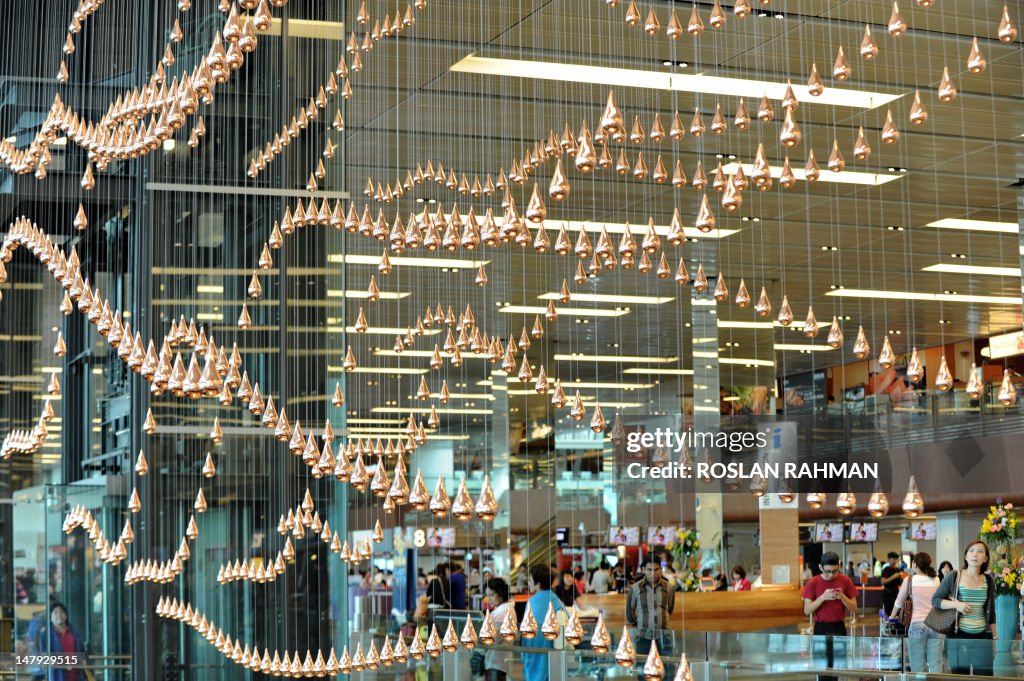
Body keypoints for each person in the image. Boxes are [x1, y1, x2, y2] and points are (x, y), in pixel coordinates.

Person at [932, 540, 996, 676]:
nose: (975, 555)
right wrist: (956, 605)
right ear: (966, 556)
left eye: (980, 552)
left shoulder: (989, 580)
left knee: (984, 676)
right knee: (960, 675)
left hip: (983, 636)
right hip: (958, 636)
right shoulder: (954, 576)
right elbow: (936, 600)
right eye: (971, 551)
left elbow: (992, 613)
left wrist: (995, 639)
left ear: (985, 558)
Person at [802, 552, 858, 681]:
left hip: (839, 627)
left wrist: (842, 596)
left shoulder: (845, 581)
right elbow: (807, 610)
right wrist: (822, 597)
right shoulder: (813, 582)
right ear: (821, 567)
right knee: (822, 667)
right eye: (828, 571)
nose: (831, 575)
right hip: (821, 628)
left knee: (837, 667)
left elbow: (854, 607)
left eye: (834, 571)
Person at [892, 552, 943, 673]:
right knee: (936, 664)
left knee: (917, 666)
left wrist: (891, 616)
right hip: (936, 624)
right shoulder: (936, 580)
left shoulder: (909, 580)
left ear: (914, 564)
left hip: (917, 625)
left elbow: (899, 602)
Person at [626, 560, 677, 678]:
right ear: (644, 570)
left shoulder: (669, 587)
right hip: (643, 636)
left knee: (667, 671)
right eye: (649, 570)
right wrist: (638, 625)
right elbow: (629, 612)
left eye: (656, 569)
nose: (653, 573)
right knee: (643, 671)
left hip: (664, 636)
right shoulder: (635, 588)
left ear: (660, 570)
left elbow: (670, 609)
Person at [521, 565, 566, 681]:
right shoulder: (557, 601)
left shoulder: (531, 602)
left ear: (538, 584)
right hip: (552, 658)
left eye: (530, 581)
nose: (528, 583)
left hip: (533, 655)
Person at [46, 603, 85, 681]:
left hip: (76, 674)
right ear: (50, 617)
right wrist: (64, 664)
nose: (59, 615)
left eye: (62, 612)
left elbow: (81, 650)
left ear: (66, 615)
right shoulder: (47, 634)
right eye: (55, 613)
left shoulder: (74, 631)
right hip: (58, 675)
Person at [484, 578, 513, 681]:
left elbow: (493, 637)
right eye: (487, 596)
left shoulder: (503, 611)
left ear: (500, 594)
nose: (489, 599)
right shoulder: (500, 609)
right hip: (495, 662)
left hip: (497, 663)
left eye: (491, 595)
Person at [880, 552, 904, 620]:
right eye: (893, 559)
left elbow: (900, 582)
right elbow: (883, 582)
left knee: (898, 612)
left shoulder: (898, 570)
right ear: (889, 559)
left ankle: (897, 629)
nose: (895, 561)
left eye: (896, 559)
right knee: (889, 613)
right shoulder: (886, 569)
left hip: (896, 594)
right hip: (887, 594)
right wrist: (893, 576)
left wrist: (902, 578)